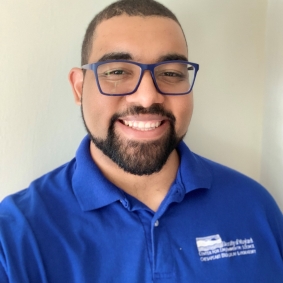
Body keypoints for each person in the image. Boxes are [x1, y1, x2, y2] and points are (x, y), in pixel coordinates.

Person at [1, 0, 283, 282]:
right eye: (117, 72)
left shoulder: (255, 207)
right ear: (79, 87)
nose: (147, 97)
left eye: (171, 73)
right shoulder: (15, 238)